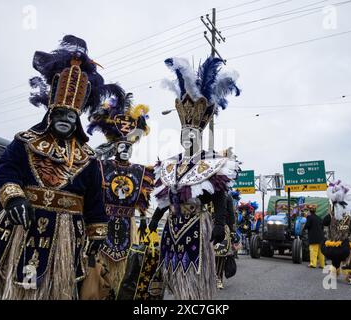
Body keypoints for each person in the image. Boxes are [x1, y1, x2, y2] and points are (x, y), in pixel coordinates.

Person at [0, 35, 108, 299]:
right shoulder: (25, 142)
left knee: (55, 289)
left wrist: (97, 231)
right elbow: (6, 169)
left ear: (77, 120)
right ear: (50, 115)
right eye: (60, 114)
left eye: (71, 116)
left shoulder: (89, 158)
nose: (66, 120)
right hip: (23, 225)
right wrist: (14, 198)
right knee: (11, 286)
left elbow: (94, 198)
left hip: (67, 234)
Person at [148, 56, 240, 299]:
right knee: (174, 273)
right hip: (172, 226)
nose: (189, 138)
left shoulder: (211, 164)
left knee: (194, 276)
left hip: (197, 227)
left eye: (193, 135)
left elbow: (220, 197)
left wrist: (220, 224)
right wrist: (154, 219)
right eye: (185, 134)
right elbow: (166, 198)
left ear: (199, 136)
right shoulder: (170, 165)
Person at [86, 89, 155, 298]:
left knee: (126, 272)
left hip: (128, 224)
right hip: (102, 223)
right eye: (121, 146)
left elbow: (143, 199)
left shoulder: (141, 170)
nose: (125, 150)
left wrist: (144, 220)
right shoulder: (100, 165)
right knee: (98, 269)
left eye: (128, 147)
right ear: (115, 147)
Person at [322, 180, 351, 285]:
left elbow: (321, 224)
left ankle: (338, 274)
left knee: (338, 261)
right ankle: (350, 278)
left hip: (341, 245)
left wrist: (325, 237)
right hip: (344, 244)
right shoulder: (348, 217)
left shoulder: (330, 217)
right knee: (345, 262)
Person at [214, 192, 237, 289]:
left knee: (220, 253)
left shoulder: (227, 195)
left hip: (222, 227)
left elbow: (231, 215)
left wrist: (232, 232)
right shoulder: (202, 192)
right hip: (203, 227)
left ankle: (218, 278)